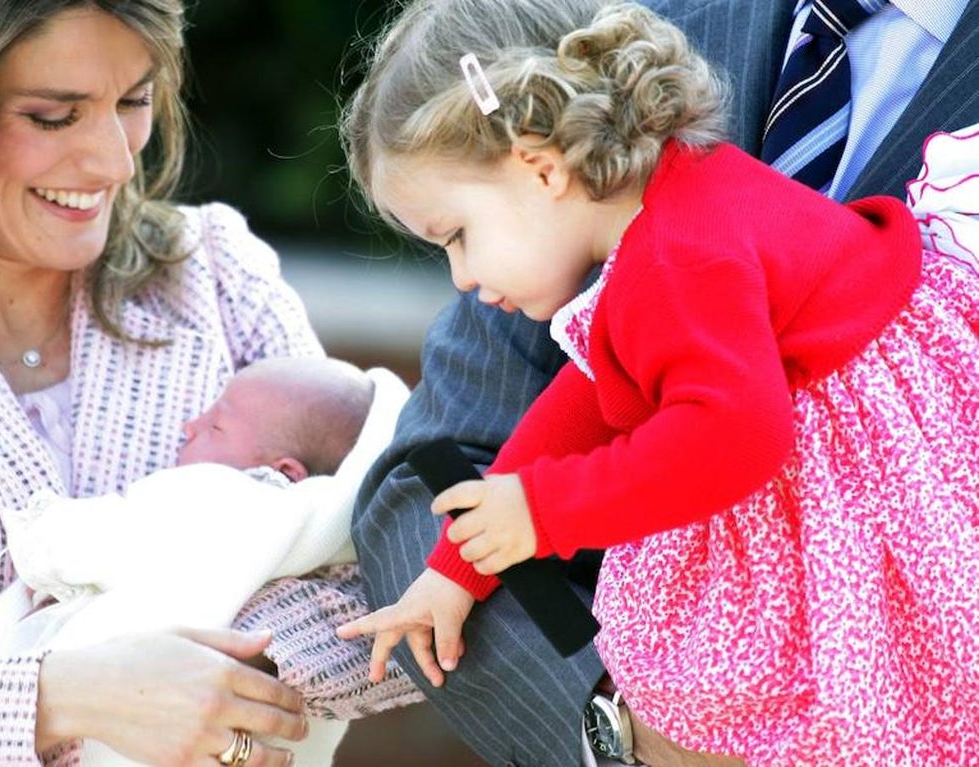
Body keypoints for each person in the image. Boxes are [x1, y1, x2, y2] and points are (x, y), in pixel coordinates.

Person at [346, 0, 979, 765]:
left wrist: (545, 510)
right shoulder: (671, 210)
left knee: (875, 708)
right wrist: (456, 567)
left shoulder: (684, 254)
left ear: (542, 168)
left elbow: (736, 436)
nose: (462, 276)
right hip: (860, 468)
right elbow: (584, 400)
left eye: (457, 236)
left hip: (892, 494)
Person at [0, 2, 380, 765]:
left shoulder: (217, 273)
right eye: (54, 116)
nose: (116, 163)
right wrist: (63, 698)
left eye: (133, 100)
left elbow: (388, 583)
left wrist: (222, 677)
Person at [0, 356, 422, 767]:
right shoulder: (335, 542)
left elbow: (114, 538)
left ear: (284, 472)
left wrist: (40, 538)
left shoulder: (227, 495)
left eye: (215, 427)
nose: (190, 426)